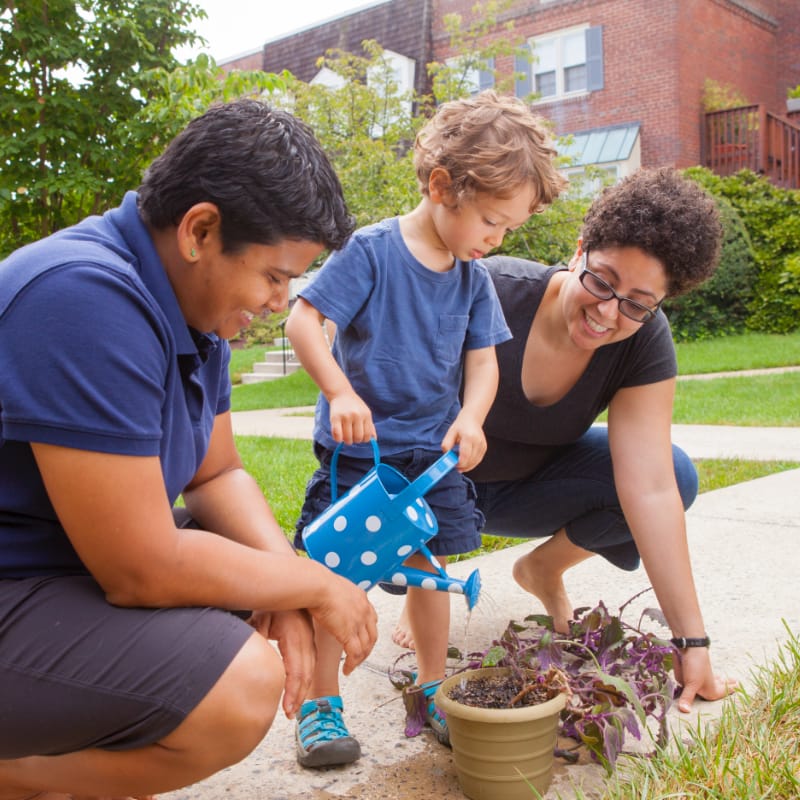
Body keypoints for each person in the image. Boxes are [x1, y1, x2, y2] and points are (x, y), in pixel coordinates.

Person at [0, 99, 379, 800]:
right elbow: (141, 568)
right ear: (200, 229)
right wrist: (314, 585)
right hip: (17, 585)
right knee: (238, 687)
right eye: (274, 275)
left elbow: (217, 471)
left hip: (48, 576)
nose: (281, 300)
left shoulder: (193, 311)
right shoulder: (82, 297)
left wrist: (284, 582)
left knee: (240, 580)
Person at [284, 90, 567, 767]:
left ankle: (433, 689)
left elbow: (482, 363)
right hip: (362, 455)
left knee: (428, 573)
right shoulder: (373, 251)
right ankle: (322, 705)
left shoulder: (472, 278)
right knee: (337, 576)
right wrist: (339, 390)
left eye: (509, 228)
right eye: (492, 220)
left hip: (430, 458)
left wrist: (471, 416)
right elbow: (303, 320)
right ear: (442, 186)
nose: (497, 240)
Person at [392, 166, 737, 713]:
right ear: (578, 251)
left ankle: (542, 569)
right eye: (601, 281)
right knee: (394, 550)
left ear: (660, 303)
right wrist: (421, 575)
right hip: (434, 487)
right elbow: (395, 416)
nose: (607, 312)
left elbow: (649, 487)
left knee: (676, 474)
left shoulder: (643, 343)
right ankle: (418, 581)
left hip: (529, 491)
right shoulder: (489, 290)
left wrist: (690, 642)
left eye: (637, 303)